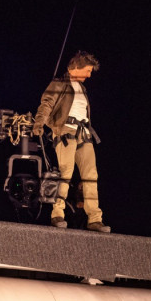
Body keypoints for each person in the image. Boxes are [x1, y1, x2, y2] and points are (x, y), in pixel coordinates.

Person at [32, 51, 110, 232]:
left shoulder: (82, 89)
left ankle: (95, 219)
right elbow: (46, 104)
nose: (89, 75)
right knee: (65, 172)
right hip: (65, 132)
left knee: (91, 175)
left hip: (83, 133)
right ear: (76, 67)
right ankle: (57, 214)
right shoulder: (59, 84)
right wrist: (39, 123)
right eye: (88, 70)